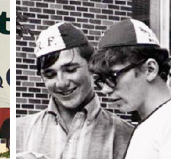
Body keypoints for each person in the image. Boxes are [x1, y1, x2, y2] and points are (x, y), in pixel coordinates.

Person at [16, 22, 133, 159]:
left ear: (92, 66)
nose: (61, 83)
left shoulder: (127, 136)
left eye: (70, 70)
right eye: (50, 74)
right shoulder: (19, 131)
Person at [88, 19, 171, 159]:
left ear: (150, 69)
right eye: (101, 80)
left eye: (112, 76)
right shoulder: (150, 125)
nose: (105, 90)